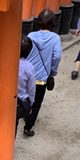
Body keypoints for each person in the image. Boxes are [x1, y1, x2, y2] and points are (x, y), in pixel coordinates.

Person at [23, 9, 62, 137]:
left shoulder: (31, 35)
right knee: (37, 101)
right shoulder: (55, 38)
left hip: (27, 73)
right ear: (52, 23)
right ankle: (28, 127)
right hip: (42, 76)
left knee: (24, 96)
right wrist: (53, 70)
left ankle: (23, 113)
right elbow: (57, 56)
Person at [16, 36, 36, 136]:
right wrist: (30, 103)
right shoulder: (29, 67)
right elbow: (31, 88)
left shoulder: (5, 61)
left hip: (3, 98)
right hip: (19, 102)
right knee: (13, 124)